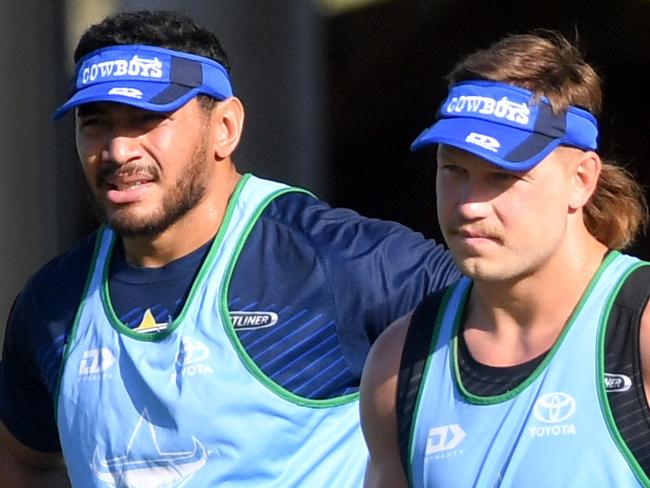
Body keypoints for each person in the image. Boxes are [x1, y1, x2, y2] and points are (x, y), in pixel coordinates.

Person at [0, 9, 460, 488]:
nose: (118, 151)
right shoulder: (53, 304)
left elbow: (521, 332)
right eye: (95, 123)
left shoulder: (337, 263)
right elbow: (22, 458)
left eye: (148, 120)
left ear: (224, 127)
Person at [360, 30, 650, 487]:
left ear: (581, 179)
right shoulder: (397, 364)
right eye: (454, 170)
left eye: (501, 176)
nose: (470, 204)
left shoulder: (640, 332)